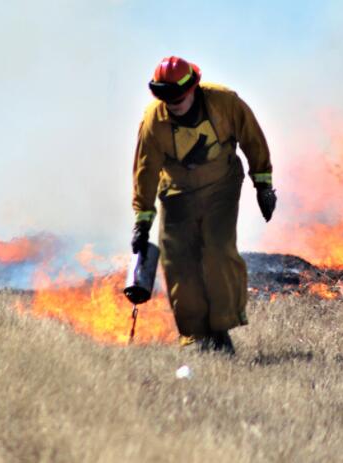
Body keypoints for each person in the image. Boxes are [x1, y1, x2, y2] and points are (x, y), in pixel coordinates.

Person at [131, 56, 276, 355]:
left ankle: (220, 329)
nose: (173, 104)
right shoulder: (153, 121)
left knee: (217, 250)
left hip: (220, 187)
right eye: (165, 98)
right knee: (178, 263)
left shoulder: (225, 103)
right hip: (176, 193)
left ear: (194, 87)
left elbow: (253, 140)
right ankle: (197, 338)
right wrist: (142, 220)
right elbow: (145, 171)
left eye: (178, 98)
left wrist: (263, 185)